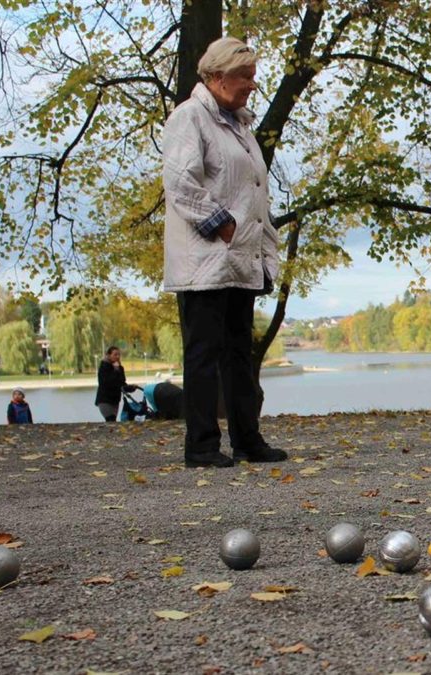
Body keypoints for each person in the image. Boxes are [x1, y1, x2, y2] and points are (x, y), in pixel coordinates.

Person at [162, 37, 285, 467]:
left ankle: (248, 439)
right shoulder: (189, 118)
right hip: (205, 258)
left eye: (253, 76)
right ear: (216, 77)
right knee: (203, 353)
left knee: (238, 353)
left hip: (239, 259)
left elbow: (256, 197)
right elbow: (180, 183)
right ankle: (201, 446)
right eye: (244, 76)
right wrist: (224, 225)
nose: (253, 84)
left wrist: (266, 256)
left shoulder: (241, 127)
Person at [95, 346, 132, 422]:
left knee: (113, 421)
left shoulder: (120, 368)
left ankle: (110, 433)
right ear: (108, 355)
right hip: (104, 400)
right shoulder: (104, 367)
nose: (117, 357)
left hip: (115, 400)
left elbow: (121, 383)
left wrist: (130, 388)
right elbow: (107, 382)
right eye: (115, 354)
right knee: (110, 419)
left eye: (119, 354)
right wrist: (115, 370)